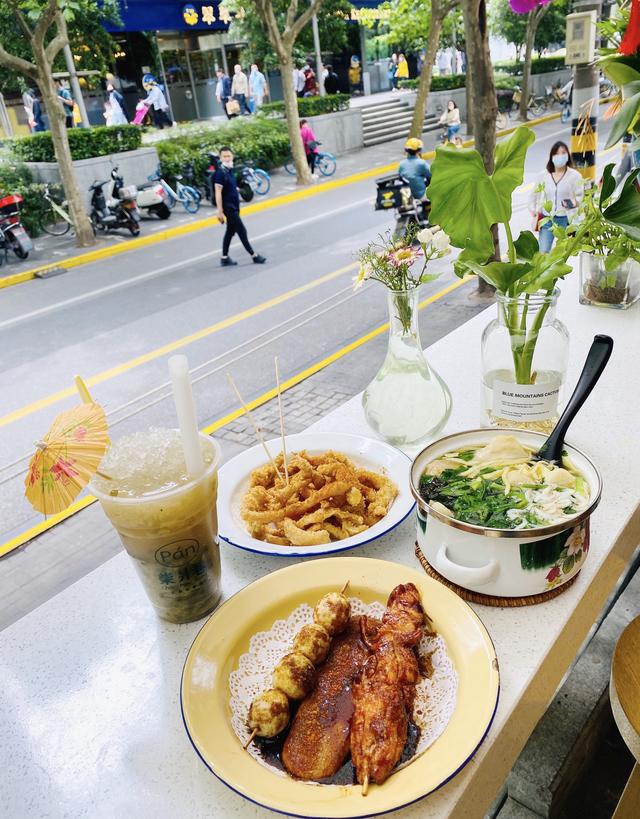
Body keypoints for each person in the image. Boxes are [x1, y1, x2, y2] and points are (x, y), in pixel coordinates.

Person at [214, 147, 266, 267]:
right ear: (220, 158)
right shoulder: (220, 173)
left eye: (228, 156)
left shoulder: (229, 171)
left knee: (230, 231)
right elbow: (218, 192)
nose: (227, 158)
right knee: (242, 230)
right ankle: (254, 255)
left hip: (234, 206)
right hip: (228, 208)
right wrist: (220, 211)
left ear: (232, 156)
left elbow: (230, 187)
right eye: (224, 156)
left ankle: (224, 258)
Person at [529, 141, 584, 253]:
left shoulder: (575, 176)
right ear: (552, 157)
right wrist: (533, 210)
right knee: (543, 252)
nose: (560, 156)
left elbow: (580, 197)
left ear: (568, 155)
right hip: (547, 219)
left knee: (562, 253)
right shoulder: (543, 175)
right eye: (556, 153)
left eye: (563, 153)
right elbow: (534, 194)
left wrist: (572, 203)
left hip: (565, 220)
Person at [398, 137, 431, 201]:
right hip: (421, 195)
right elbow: (431, 175)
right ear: (419, 150)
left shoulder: (402, 164)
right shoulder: (421, 163)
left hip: (408, 196)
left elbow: (401, 177)